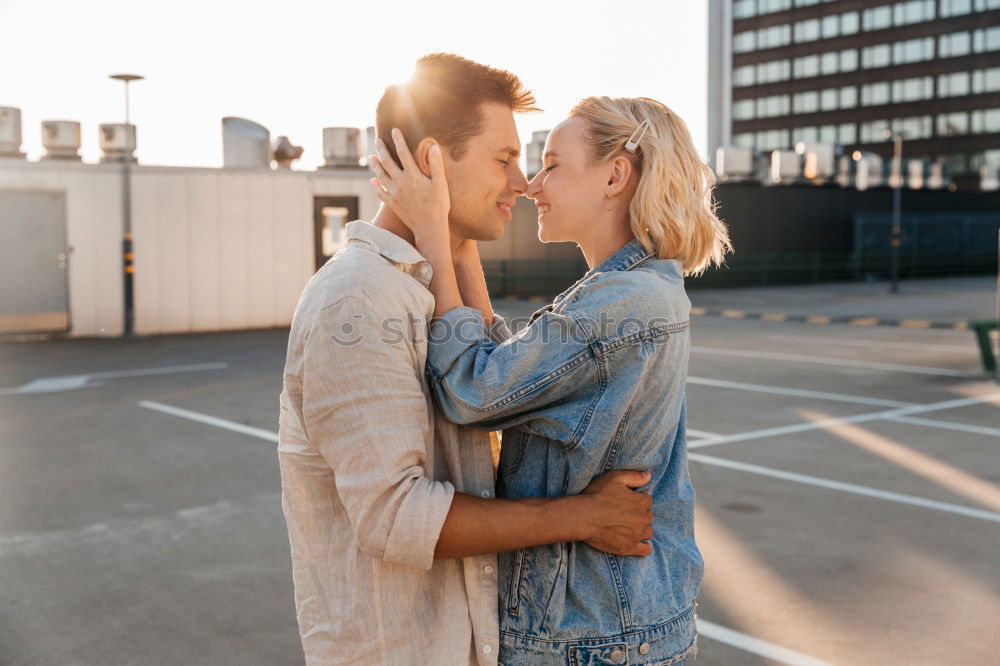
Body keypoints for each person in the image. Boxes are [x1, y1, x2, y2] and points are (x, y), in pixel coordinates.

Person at [277, 55, 655, 666]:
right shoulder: (358, 297)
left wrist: (454, 243)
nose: (523, 183)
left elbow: (492, 389)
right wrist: (586, 517)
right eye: (504, 160)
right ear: (430, 161)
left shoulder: (428, 286)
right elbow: (396, 519)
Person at [369, 95, 732, 665]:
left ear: (616, 176)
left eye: (553, 164)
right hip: (617, 624)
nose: (533, 184)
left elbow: (472, 390)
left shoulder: (621, 302)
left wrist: (434, 234)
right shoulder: (636, 286)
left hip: (589, 635)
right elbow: (507, 369)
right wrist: (460, 242)